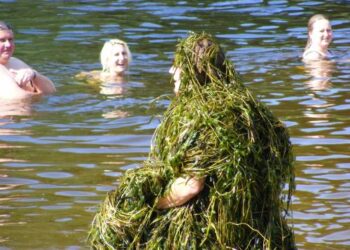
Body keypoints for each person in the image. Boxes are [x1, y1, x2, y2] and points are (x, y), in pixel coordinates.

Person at [88, 32, 296, 249]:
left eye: (177, 65)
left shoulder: (200, 116)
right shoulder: (253, 110)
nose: (171, 71)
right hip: (257, 227)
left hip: (212, 231)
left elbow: (191, 185)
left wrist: (152, 206)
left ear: (193, 70)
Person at [0, 21, 56, 100]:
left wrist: (35, 75)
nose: (8, 45)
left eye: (10, 39)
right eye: (2, 40)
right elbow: (18, 99)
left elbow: (52, 91)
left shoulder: (15, 62)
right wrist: (37, 93)